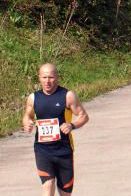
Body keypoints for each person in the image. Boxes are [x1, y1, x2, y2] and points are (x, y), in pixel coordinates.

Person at [23, 63, 89, 195]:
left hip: (64, 151)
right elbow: (27, 116)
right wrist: (27, 123)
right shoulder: (33, 98)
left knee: (65, 193)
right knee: (48, 187)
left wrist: (72, 125)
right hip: (43, 151)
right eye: (44, 77)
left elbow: (84, 116)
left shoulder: (67, 96)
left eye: (51, 77)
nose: (47, 81)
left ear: (57, 77)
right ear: (39, 78)